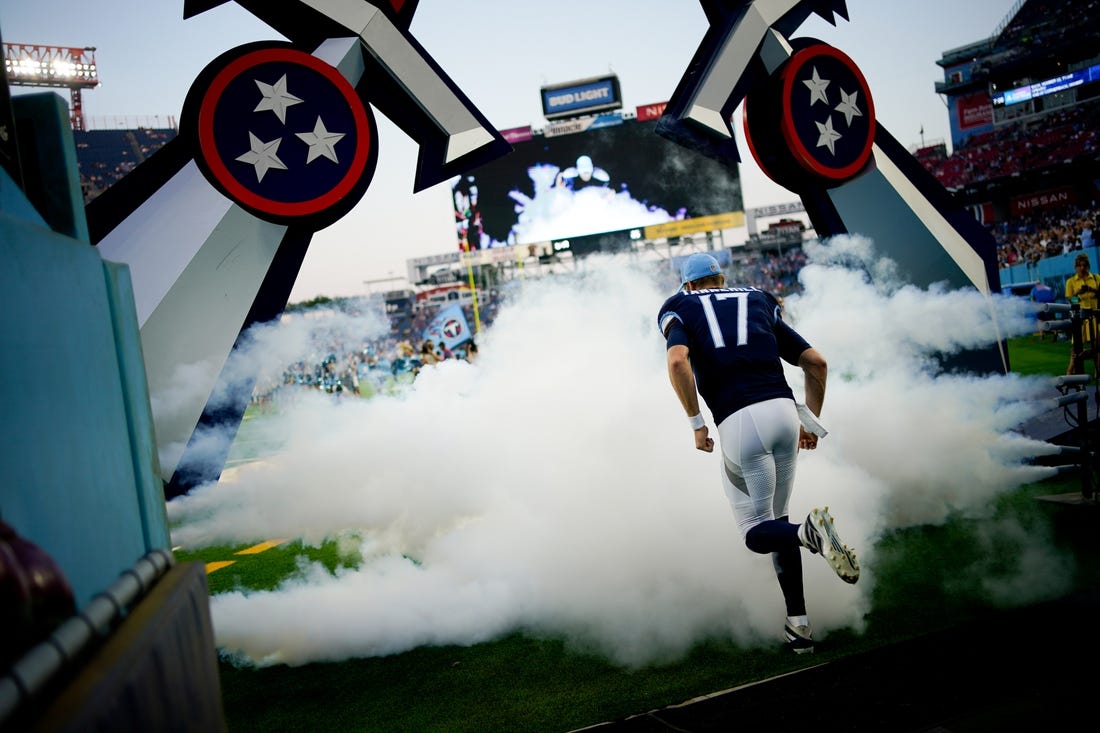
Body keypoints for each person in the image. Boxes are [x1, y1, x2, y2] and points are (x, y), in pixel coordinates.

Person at [657, 252, 859, 655]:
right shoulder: (759, 296)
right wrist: (810, 423)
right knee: (779, 525)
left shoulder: (679, 305)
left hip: (739, 421)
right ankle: (799, 627)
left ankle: (811, 533)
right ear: (722, 277)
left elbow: (678, 360)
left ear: (691, 285)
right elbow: (816, 363)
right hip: (784, 414)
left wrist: (697, 424)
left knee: (755, 531)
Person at [1065, 253, 1099, 373]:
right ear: (1076, 267)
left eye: (1084, 265)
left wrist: (1092, 290)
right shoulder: (1071, 282)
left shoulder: (1095, 278)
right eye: (1079, 265)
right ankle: (1070, 371)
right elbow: (1071, 300)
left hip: (1095, 316)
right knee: (1076, 347)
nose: (1082, 268)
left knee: (1097, 346)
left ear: (1088, 266)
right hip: (1079, 318)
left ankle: (1097, 371)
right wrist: (1078, 293)